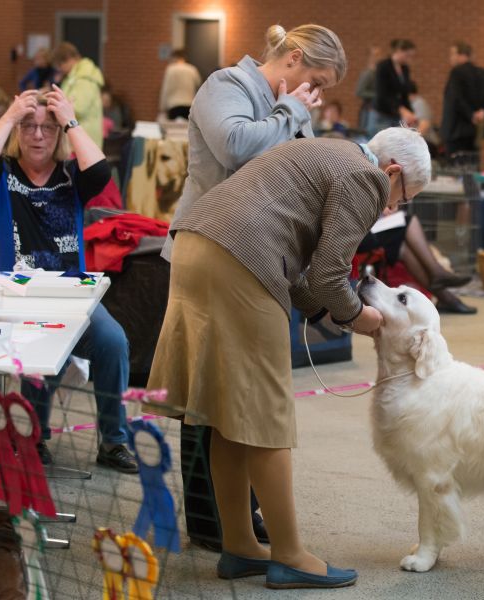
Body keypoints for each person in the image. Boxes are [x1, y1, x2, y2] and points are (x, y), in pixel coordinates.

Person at [147, 127, 431, 588]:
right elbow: (330, 274)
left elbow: (307, 274)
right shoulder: (368, 177)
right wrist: (363, 318)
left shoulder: (329, 152)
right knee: (267, 414)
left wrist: (327, 309)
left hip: (194, 246)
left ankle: (239, 544)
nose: (392, 207)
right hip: (240, 260)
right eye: (403, 196)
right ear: (393, 172)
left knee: (228, 413)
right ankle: (291, 554)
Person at [161, 23, 346, 554]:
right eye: (314, 80)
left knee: (239, 400)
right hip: (207, 255)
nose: (315, 94)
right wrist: (293, 114)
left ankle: (239, 519)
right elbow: (239, 147)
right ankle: (209, 523)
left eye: (323, 88)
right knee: (205, 398)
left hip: (256, 264)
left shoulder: (287, 107)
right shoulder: (225, 85)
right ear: (291, 58)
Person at [0, 86, 138, 473]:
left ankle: (113, 441)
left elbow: (101, 172)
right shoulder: (1, 176)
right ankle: (34, 436)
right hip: (16, 297)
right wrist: (10, 115)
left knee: (113, 342)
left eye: (47, 128)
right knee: (40, 345)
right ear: (16, 133)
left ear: (59, 134)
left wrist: (71, 119)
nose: (38, 135)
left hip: (70, 294)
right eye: (29, 127)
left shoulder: (71, 177)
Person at [357, 213, 475, 313]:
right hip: (355, 234)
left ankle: (444, 294)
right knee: (409, 220)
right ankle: (440, 279)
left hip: (367, 228)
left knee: (402, 248)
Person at [441, 41, 484, 157]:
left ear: (461, 55)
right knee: (472, 164)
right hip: (476, 131)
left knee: (454, 168)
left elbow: (456, 98)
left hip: (456, 130)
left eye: (452, 54)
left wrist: (471, 115)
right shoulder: (483, 73)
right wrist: (483, 112)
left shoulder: (456, 72)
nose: (451, 58)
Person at [52, 42, 105, 146]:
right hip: (76, 136)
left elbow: (79, 108)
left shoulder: (84, 77)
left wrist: (56, 106)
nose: (60, 69)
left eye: (60, 65)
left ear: (69, 59)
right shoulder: (73, 76)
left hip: (85, 137)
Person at [373, 39, 417, 131]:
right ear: (399, 50)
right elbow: (383, 93)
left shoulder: (405, 69)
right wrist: (402, 110)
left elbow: (404, 94)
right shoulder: (383, 66)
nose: (409, 59)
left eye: (411, 57)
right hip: (384, 113)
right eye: (407, 55)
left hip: (397, 115)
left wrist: (410, 112)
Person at [159, 49, 203, 121]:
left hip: (174, 105)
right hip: (189, 105)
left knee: (173, 130)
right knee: (187, 130)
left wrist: (162, 107)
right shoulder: (192, 69)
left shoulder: (170, 69)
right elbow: (199, 87)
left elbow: (165, 89)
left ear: (175, 57)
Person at [354, 46, 380, 135]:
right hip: (368, 111)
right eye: (375, 56)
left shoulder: (378, 75)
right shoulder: (368, 74)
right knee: (366, 135)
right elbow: (359, 92)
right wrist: (377, 95)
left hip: (377, 110)